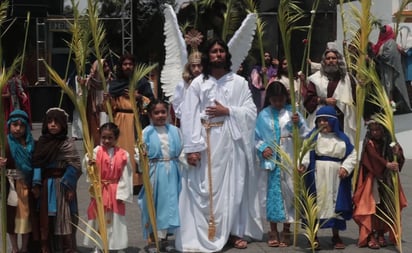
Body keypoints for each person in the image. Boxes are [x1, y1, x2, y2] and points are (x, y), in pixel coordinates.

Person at [176, 38, 263, 252]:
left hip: (232, 142)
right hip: (205, 141)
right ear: (208, 55)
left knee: (235, 187)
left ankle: (235, 231)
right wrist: (192, 149)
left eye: (221, 51)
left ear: (227, 55)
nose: (217, 54)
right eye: (214, 51)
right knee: (203, 187)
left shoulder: (239, 82)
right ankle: (205, 230)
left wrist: (229, 111)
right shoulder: (198, 84)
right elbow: (188, 116)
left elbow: (251, 112)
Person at [255, 81, 309, 248]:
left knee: (290, 193)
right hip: (272, 161)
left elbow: (305, 135)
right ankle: (273, 229)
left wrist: (298, 123)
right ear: (269, 99)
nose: (278, 103)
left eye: (281, 100)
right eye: (274, 100)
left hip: (289, 157)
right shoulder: (263, 115)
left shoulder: (293, 114)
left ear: (286, 97)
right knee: (272, 195)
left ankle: (287, 229)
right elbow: (256, 137)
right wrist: (263, 148)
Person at [299, 106, 357, 250]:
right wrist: (303, 165)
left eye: (326, 120)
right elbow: (305, 152)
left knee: (334, 204)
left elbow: (352, 155)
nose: (323, 123)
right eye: (320, 120)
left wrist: (345, 167)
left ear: (333, 121)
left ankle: (336, 235)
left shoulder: (342, 138)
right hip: (318, 174)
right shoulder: (313, 137)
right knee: (316, 203)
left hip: (336, 175)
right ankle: (313, 236)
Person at [31, 108, 82, 253]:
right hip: (47, 186)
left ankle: (67, 248)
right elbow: (37, 163)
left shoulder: (67, 143)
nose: (53, 125)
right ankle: (47, 247)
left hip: (62, 185)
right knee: (46, 218)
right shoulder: (41, 143)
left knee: (64, 217)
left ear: (63, 125)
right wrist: (36, 183)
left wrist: (70, 186)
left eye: (56, 122)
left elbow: (75, 165)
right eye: (50, 122)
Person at [137, 99, 183, 253]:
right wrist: (141, 156)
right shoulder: (146, 132)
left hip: (173, 170)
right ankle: (152, 240)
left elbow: (182, 150)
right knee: (155, 204)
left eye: (163, 112)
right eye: (156, 112)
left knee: (172, 205)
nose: (160, 115)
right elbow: (138, 153)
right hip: (155, 171)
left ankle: (167, 239)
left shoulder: (175, 131)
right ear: (150, 115)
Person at [353, 120, 407, 249]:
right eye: (373, 130)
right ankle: (371, 234)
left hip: (388, 179)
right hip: (373, 179)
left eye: (378, 130)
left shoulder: (390, 140)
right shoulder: (369, 143)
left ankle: (381, 233)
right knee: (372, 206)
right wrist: (386, 164)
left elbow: (398, 154)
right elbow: (373, 157)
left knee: (386, 205)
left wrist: (397, 153)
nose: (375, 133)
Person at [83, 122, 133, 251]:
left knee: (117, 220)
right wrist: (90, 164)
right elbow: (89, 170)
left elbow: (126, 175)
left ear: (116, 138)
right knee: (100, 219)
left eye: (110, 138)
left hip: (116, 190)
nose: (106, 140)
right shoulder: (95, 152)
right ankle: (99, 245)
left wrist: (122, 193)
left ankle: (118, 245)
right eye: (103, 137)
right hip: (101, 190)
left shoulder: (123, 154)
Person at [108, 54, 155, 192]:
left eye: (130, 64)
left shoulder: (142, 83)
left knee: (136, 151)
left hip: (136, 120)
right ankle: (120, 180)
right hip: (119, 121)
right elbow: (109, 108)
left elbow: (152, 103)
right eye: (125, 64)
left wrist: (139, 96)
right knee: (120, 150)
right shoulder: (115, 85)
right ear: (120, 67)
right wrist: (107, 100)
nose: (127, 67)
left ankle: (137, 182)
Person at [304, 47, 357, 143]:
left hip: (341, 121)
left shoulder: (348, 79)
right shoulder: (315, 79)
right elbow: (308, 100)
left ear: (338, 60)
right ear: (324, 61)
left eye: (334, 58)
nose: (331, 61)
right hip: (321, 122)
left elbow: (356, 99)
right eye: (328, 58)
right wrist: (324, 100)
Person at [0, 109, 35, 253]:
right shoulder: (4, 143)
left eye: (21, 125)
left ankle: (24, 248)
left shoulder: (31, 143)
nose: (18, 128)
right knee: (11, 219)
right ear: (9, 125)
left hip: (27, 185)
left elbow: (37, 163)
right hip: (10, 186)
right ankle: (14, 248)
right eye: (15, 125)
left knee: (26, 218)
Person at [372, 24, 411, 113]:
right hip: (383, 69)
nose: (382, 33)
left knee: (389, 87)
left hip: (390, 69)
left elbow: (389, 56)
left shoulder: (391, 42)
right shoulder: (382, 42)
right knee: (385, 88)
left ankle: (391, 107)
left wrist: (379, 56)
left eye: (384, 32)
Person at [83, 59, 113, 145]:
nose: (107, 68)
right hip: (94, 113)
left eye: (107, 66)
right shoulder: (90, 82)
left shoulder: (111, 80)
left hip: (106, 113)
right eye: (105, 67)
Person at [172, 51, 203, 125]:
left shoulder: (209, 82)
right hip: (189, 122)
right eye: (193, 66)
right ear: (189, 67)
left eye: (199, 65)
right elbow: (177, 107)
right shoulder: (182, 84)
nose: (196, 69)